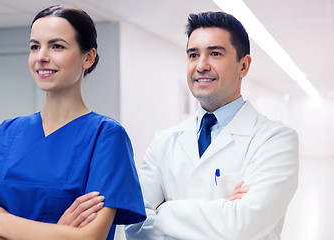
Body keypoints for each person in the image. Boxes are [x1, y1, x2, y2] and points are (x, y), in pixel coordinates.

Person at [0, 5, 146, 240]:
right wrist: (58, 232)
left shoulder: (106, 136)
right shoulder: (7, 133)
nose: (41, 57)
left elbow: (90, 237)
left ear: (88, 57)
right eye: (34, 47)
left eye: (57, 46)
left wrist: (2, 222)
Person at [125, 11, 299, 240]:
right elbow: (135, 226)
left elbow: (242, 226)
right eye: (193, 55)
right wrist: (223, 210)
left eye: (215, 53)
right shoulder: (163, 141)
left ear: (244, 66)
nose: (201, 65)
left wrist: (163, 210)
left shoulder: (276, 140)